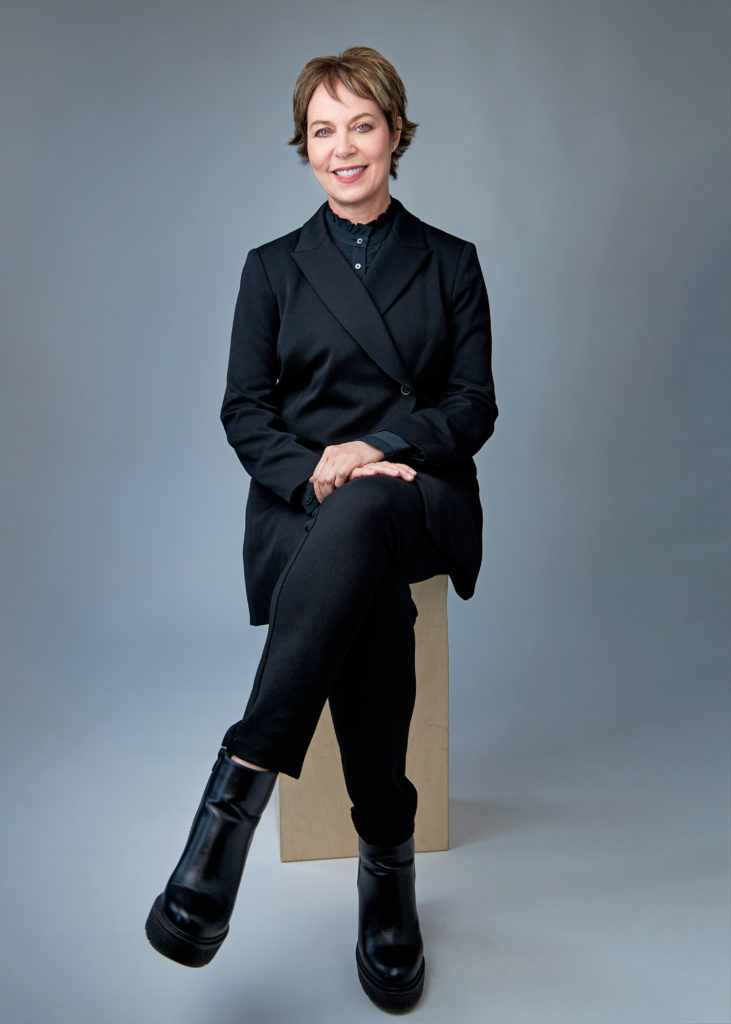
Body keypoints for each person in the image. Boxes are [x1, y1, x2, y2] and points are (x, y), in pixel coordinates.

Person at [145, 46, 497, 1013]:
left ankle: (234, 797)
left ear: (395, 133)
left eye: (362, 126)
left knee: (379, 502)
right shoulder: (269, 269)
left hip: (419, 490)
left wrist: (375, 444)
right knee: (362, 545)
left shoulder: (452, 262)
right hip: (300, 503)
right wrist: (318, 470)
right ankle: (386, 861)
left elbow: (472, 407)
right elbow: (243, 411)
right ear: (303, 149)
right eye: (321, 131)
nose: (343, 148)